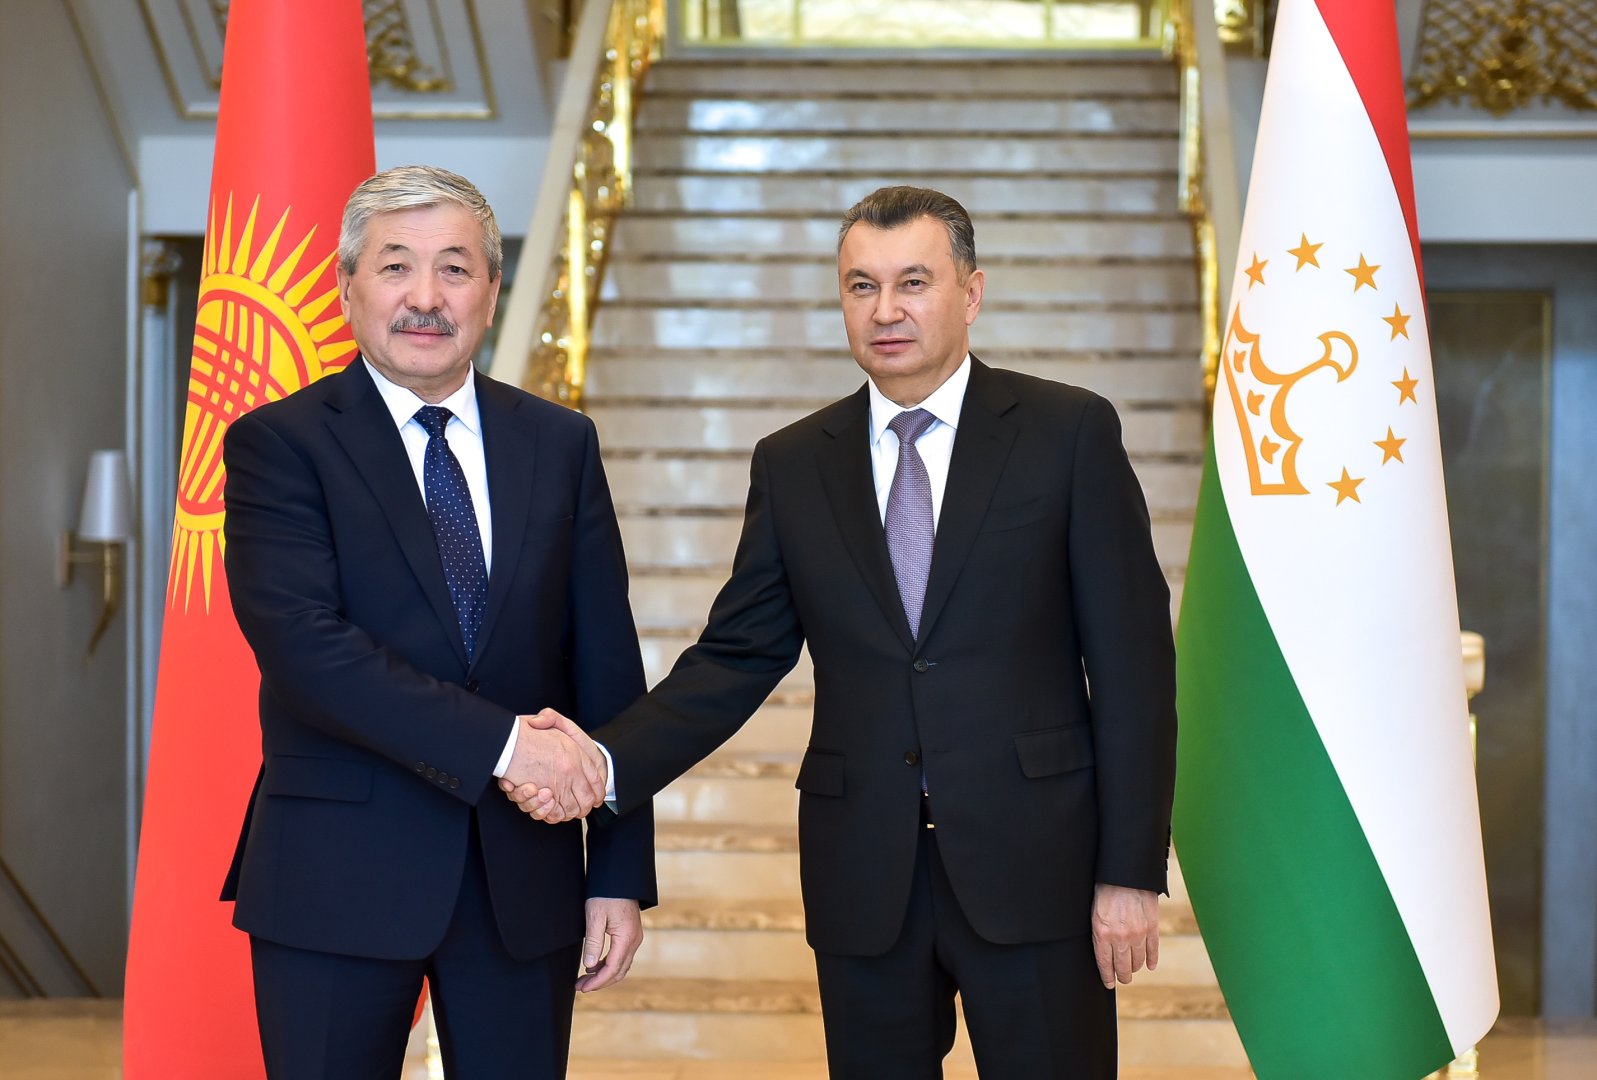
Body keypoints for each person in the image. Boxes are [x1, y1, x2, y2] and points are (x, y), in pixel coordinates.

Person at [509, 185, 1178, 1078]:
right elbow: (736, 657)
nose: (885, 310)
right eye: (862, 286)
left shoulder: (1068, 433)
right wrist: (602, 760)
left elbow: (1134, 670)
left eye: (913, 283)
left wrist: (1127, 870)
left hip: (1037, 864)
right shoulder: (794, 463)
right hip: (864, 873)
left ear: (971, 292)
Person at [219, 164, 655, 1079]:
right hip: (334, 875)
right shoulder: (279, 443)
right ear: (347, 286)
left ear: (492, 290)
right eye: (395, 267)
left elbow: (606, 668)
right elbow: (308, 651)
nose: (426, 297)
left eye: (455, 268)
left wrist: (617, 873)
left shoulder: (560, 442)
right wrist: (508, 746)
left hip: (522, 881)